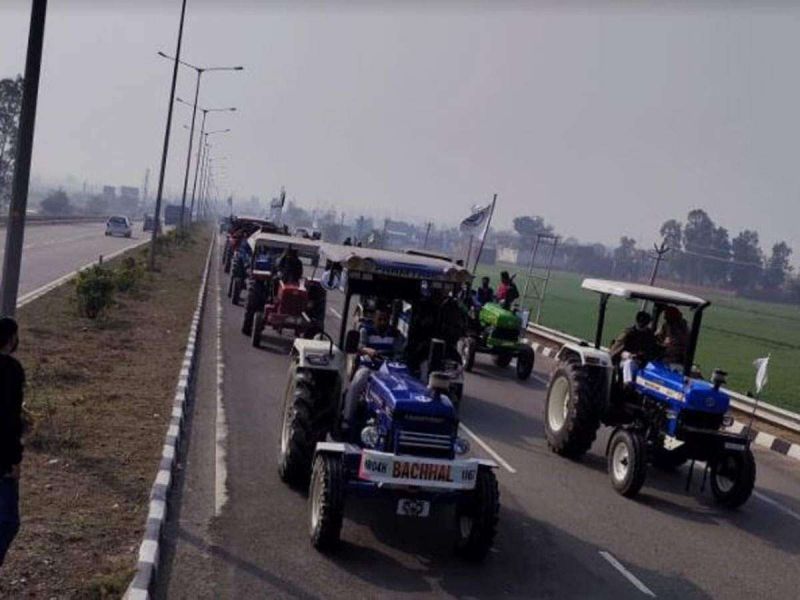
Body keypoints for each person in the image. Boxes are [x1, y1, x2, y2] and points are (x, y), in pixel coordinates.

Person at [342, 306, 404, 434]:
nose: (382, 322)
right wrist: (367, 350)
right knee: (357, 382)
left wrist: (394, 358)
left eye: (385, 319)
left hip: (388, 369)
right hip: (369, 368)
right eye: (380, 319)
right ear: (374, 319)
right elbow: (359, 346)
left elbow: (399, 352)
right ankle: (347, 420)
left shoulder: (396, 334)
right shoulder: (365, 330)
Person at [0, 317, 24, 568]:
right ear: (11, 339)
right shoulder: (11, 370)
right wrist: (14, 460)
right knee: (8, 521)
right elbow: (10, 419)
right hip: (3, 458)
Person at [609, 310, 660, 386]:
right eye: (641, 322)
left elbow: (652, 350)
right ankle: (627, 384)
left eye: (644, 322)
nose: (642, 324)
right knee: (629, 363)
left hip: (642, 362)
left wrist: (642, 355)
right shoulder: (629, 333)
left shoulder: (649, 335)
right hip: (625, 360)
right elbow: (616, 349)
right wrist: (628, 355)